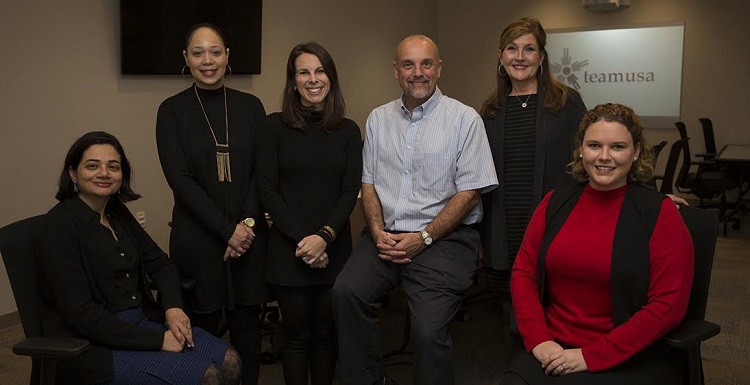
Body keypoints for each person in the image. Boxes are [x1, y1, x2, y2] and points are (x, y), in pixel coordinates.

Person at [331, 35, 498, 385]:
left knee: (426, 331)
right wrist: (376, 231)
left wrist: (423, 237)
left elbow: (468, 194)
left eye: (426, 64)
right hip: (385, 235)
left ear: (439, 68)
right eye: (408, 64)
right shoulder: (378, 119)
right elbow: (369, 183)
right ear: (396, 71)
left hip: (445, 240)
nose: (417, 72)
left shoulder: (465, 120)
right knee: (346, 293)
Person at [501, 103, 694, 385]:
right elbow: (523, 273)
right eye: (594, 145)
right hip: (551, 348)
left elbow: (669, 304)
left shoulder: (658, 213)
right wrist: (539, 339)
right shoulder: (555, 202)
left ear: (636, 152)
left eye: (617, 147)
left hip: (624, 354)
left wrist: (590, 355)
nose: (604, 157)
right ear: (581, 149)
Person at [35, 131, 241, 385]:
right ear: (73, 173)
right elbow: (83, 316)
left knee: (230, 360)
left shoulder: (116, 211)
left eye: (113, 166)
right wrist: (158, 340)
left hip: (143, 321)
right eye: (92, 165)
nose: (104, 173)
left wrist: (173, 308)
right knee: (207, 376)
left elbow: (161, 263)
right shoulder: (59, 226)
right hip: (95, 345)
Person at [156, 22, 267, 384]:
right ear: (185, 59)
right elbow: (180, 180)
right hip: (198, 240)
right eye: (198, 52)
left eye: (215, 52)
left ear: (227, 57)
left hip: (247, 241)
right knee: (201, 331)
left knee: (249, 327)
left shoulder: (251, 107)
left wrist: (245, 228)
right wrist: (226, 231)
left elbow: (258, 173)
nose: (208, 60)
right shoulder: (171, 110)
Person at [477, 17, 587, 347]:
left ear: (542, 57)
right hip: (505, 226)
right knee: (514, 317)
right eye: (512, 49)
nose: (520, 57)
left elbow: (592, 159)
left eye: (529, 49)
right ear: (500, 56)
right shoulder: (490, 111)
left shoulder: (567, 103)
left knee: (559, 313)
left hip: (554, 224)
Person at [257, 42, 362, 385]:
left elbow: (350, 191)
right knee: (296, 336)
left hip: (334, 251)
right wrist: (306, 241)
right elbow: (267, 189)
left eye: (320, 71)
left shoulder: (347, 130)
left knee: (326, 336)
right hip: (289, 251)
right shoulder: (274, 127)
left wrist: (325, 238)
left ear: (330, 77)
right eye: (304, 72)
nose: (312, 79)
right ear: (293, 80)